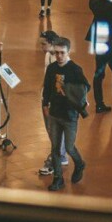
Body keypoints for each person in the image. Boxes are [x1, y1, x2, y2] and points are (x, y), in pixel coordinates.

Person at [41, 37, 89, 191]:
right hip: (54, 113)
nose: (59, 56)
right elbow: (47, 88)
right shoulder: (51, 68)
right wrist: (44, 105)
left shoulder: (75, 69)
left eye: (62, 53)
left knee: (69, 147)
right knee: (55, 148)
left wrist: (81, 98)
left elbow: (85, 86)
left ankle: (79, 163)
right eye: (56, 53)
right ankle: (58, 178)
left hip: (70, 116)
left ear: (68, 52)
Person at [37, 30, 67, 176]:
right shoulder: (48, 55)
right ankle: (60, 154)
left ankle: (58, 157)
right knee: (51, 129)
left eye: (44, 44)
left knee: (54, 129)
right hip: (46, 97)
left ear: (52, 43)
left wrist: (49, 102)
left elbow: (59, 85)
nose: (41, 47)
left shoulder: (58, 60)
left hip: (53, 101)